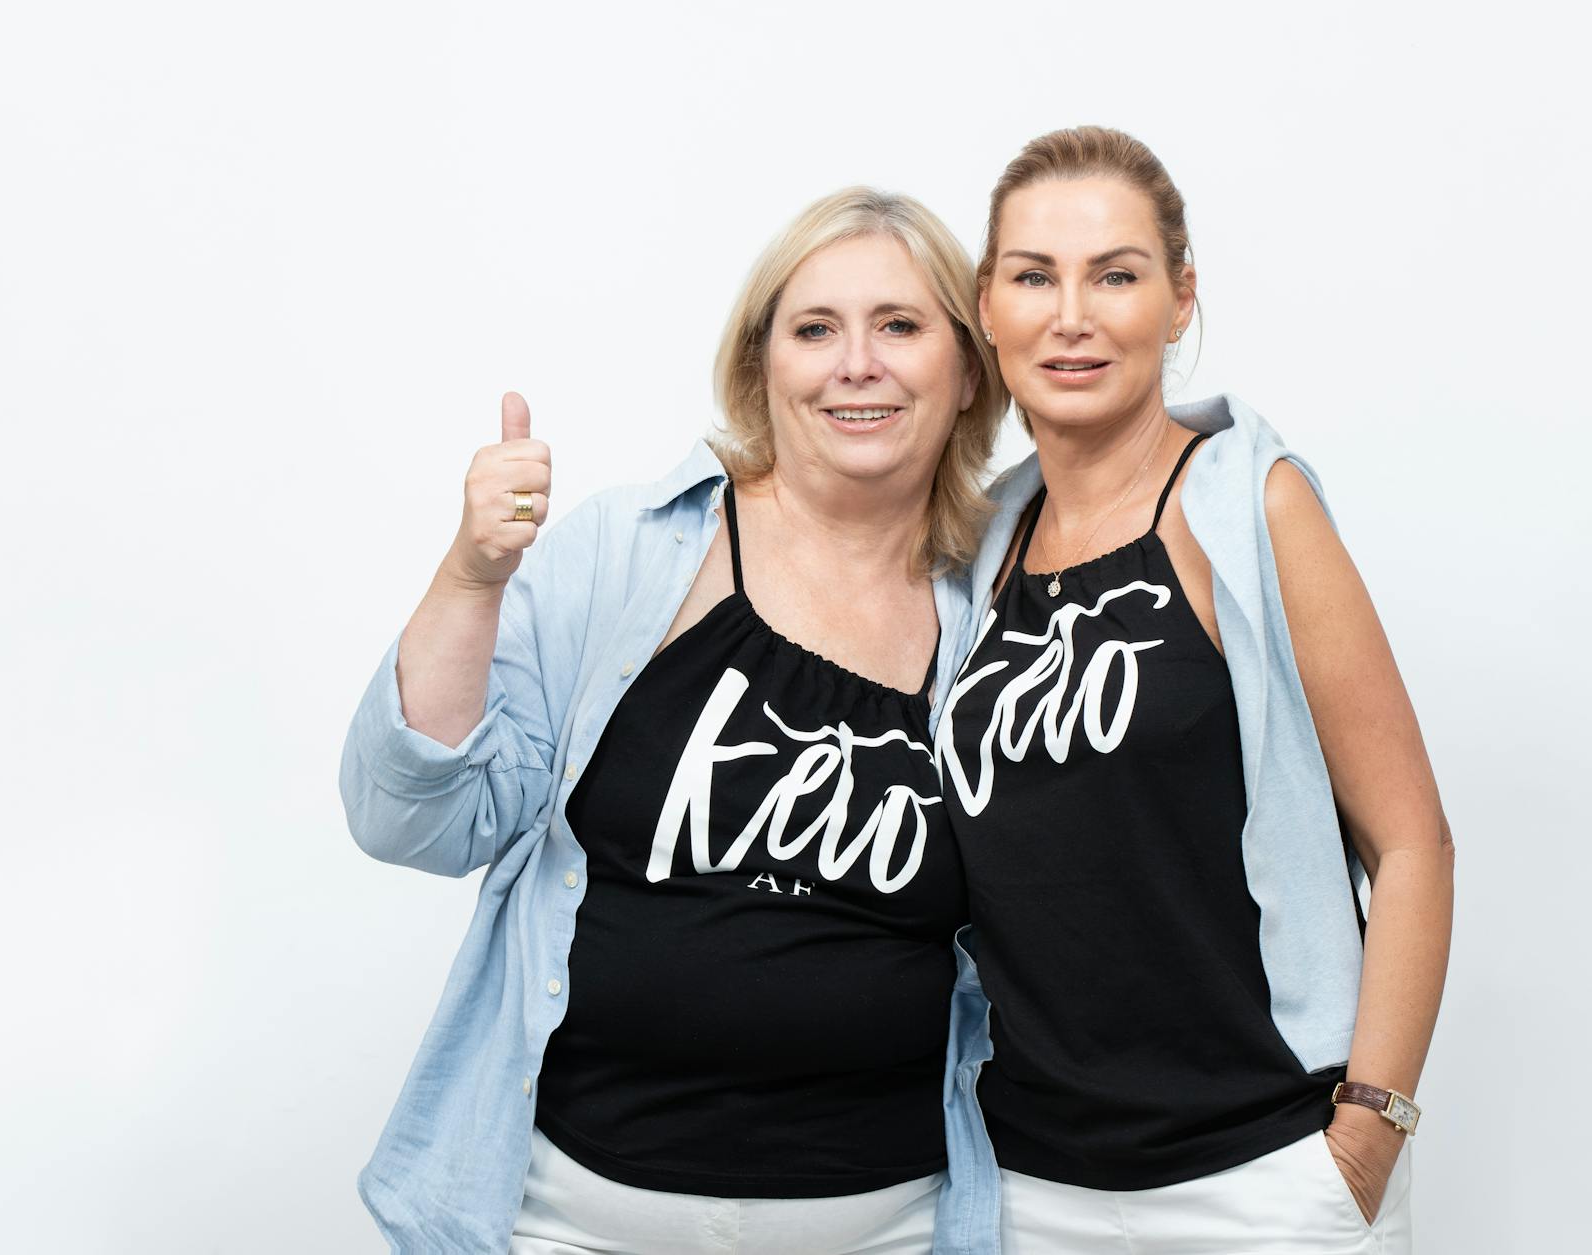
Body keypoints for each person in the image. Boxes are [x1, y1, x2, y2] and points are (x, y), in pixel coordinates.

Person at [338, 186, 1007, 1254]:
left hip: (885, 1227)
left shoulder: (1003, 613)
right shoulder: (629, 554)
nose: (856, 363)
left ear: (967, 367)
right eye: (814, 329)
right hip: (568, 1221)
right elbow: (415, 822)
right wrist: (472, 577)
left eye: (900, 325)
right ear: (760, 366)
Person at [930, 127, 1454, 1254]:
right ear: (986, 303)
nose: (1070, 314)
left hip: (1260, 1178)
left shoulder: (1251, 513)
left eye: (1114, 274)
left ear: (1178, 299)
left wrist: (1365, 1135)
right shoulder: (975, 555)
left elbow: (1411, 842)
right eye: (1033, 276)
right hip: (1027, 1187)